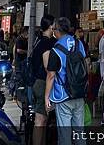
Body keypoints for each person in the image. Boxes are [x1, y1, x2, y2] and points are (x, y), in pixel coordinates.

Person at [45, 17, 86, 145]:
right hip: (79, 93)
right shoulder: (79, 44)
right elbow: (86, 65)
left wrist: (47, 97)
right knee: (80, 131)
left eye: (53, 29)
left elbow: (51, 75)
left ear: (58, 31)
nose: (53, 31)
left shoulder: (56, 49)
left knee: (65, 134)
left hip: (63, 95)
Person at [31, 14, 55, 145]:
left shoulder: (39, 41)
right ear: (51, 26)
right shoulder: (46, 43)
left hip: (39, 82)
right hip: (43, 83)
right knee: (40, 119)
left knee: (43, 119)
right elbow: (47, 67)